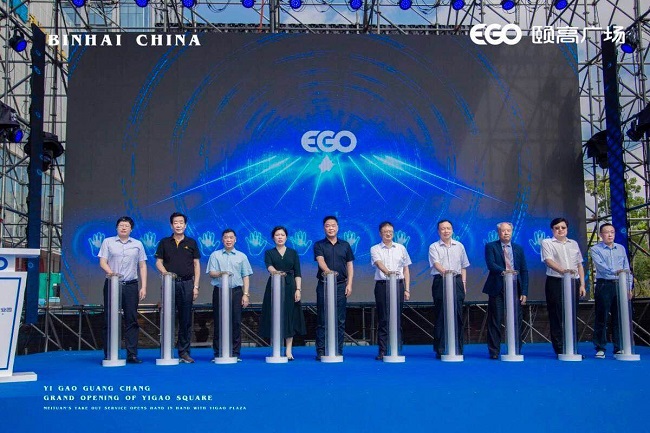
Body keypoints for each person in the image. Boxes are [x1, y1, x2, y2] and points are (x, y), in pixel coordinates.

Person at [98, 216, 147, 364]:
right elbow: (102, 262)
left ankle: (132, 354)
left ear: (131, 229)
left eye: (126, 226)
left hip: (131, 284)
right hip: (112, 283)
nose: (123, 228)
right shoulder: (108, 242)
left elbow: (142, 265)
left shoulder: (138, 244)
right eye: (121, 225)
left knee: (131, 319)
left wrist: (144, 286)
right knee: (109, 318)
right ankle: (109, 353)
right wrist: (112, 273)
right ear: (116, 228)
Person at [154, 212, 201, 364]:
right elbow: (158, 262)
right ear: (171, 225)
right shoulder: (164, 242)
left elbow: (196, 265)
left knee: (185, 319)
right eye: (176, 222)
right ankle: (166, 351)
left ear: (185, 225)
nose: (178, 225)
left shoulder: (191, 242)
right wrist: (166, 274)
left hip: (187, 284)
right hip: (169, 284)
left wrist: (195, 286)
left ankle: (184, 352)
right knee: (167, 317)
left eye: (181, 222)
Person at [482, 222, 529, 359]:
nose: (506, 233)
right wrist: (506, 272)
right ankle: (494, 351)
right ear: (498, 232)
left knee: (516, 320)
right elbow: (491, 265)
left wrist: (524, 291)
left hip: (515, 289)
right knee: (495, 320)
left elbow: (524, 270)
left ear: (512, 232)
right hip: (497, 288)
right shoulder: (491, 246)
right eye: (503, 231)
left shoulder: (518, 248)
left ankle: (516, 349)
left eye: (508, 230)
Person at [259, 226, 307, 360]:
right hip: (274, 285)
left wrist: (298, 289)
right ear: (273, 237)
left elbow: (298, 273)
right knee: (274, 315)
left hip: (290, 286)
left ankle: (289, 350)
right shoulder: (269, 252)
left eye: (282, 235)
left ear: (286, 237)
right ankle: (276, 347)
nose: (280, 237)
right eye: (277, 235)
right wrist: (276, 273)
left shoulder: (293, 253)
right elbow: (269, 266)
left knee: (289, 316)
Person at [541, 217, 586, 356]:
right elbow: (548, 261)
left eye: (563, 227)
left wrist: (582, 284)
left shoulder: (574, 243)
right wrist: (564, 271)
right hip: (556, 281)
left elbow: (579, 265)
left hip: (573, 282)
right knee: (556, 315)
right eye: (557, 228)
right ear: (552, 230)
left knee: (572, 315)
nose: (560, 230)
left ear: (567, 229)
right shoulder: (547, 242)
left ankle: (572, 348)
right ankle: (560, 348)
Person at [206, 228, 252, 362]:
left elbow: (246, 276)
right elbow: (211, 273)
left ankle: (235, 353)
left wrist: (246, 294)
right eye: (226, 237)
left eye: (231, 237)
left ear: (235, 239)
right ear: (222, 240)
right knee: (218, 321)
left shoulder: (242, 256)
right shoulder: (215, 255)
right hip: (220, 290)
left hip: (236, 291)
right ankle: (218, 353)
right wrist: (222, 273)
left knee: (236, 322)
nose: (228, 240)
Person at [313, 215, 355, 360]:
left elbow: (350, 265)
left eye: (333, 225)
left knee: (340, 319)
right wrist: (328, 272)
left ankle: (338, 350)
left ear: (337, 227)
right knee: (322, 318)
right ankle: (321, 351)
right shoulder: (319, 245)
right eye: (327, 226)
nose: (330, 228)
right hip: (324, 285)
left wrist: (349, 284)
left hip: (341, 285)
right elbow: (320, 261)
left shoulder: (345, 245)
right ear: (324, 228)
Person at [370, 221, 411, 360]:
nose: (388, 234)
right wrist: (389, 273)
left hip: (398, 285)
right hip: (383, 285)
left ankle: (396, 348)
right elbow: (378, 263)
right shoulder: (375, 248)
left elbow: (406, 269)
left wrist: (407, 289)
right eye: (385, 232)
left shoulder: (401, 248)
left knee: (397, 317)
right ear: (380, 233)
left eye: (390, 232)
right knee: (383, 317)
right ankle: (383, 350)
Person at [590, 223, 632, 359]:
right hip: (605, 284)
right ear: (601, 235)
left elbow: (626, 268)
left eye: (612, 232)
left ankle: (619, 347)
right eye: (607, 232)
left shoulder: (621, 248)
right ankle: (600, 347)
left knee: (619, 316)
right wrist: (616, 272)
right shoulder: (595, 249)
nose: (610, 235)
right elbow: (601, 267)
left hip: (620, 284)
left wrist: (629, 287)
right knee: (602, 316)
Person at [428, 219, 469, 359]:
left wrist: (463, 283)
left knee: (457, 314)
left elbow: (463, 266)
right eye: (443, 229)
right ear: (438, 231)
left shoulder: (459, 246)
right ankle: (441, 348)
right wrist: (446, 273)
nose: (446, 231)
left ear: (452, 230)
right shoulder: (434, 246)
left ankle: (458, 347)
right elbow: (436, 263)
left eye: (448, 228)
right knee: (441, 314)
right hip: (441, 281)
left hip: (457, 281)